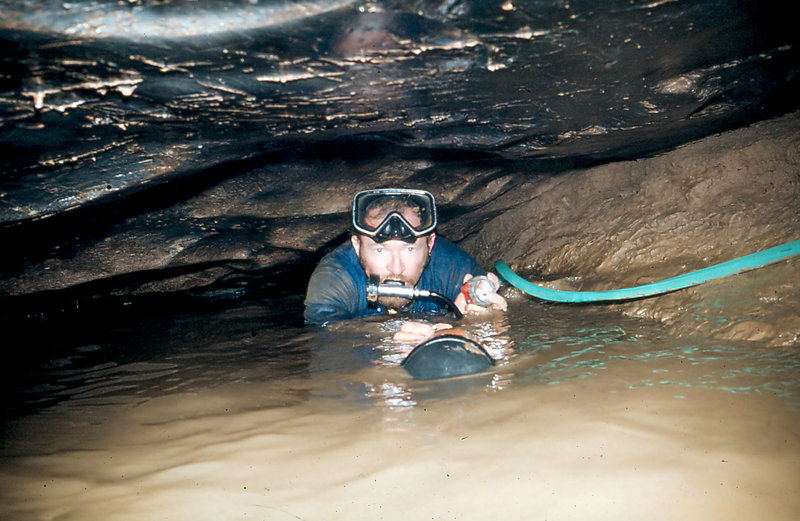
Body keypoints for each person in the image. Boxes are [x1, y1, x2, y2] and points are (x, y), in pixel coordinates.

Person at [304, 188, 506, 333]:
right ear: (357, 247)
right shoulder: (334, 280)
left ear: (429, 245)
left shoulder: (456, 269)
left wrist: (478, 322)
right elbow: (328, 349)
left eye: (409, 249)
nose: (396, 267)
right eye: (380, 249)